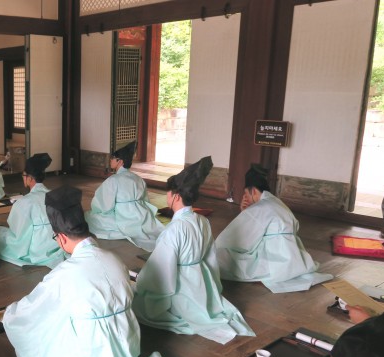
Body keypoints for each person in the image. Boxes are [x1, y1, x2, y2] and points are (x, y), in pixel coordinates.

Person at [3, 185, 170, 357]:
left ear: (61, 238)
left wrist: (10, 313)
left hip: (92, 354)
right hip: (128, 342)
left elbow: (33, 310)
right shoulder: (114, 258)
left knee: (44, 324)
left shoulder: (64, 274)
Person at [132, 156, 255, 345]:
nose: (167, 197)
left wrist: (141, 281)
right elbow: (210, 258)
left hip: (181, 287)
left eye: (168, 193)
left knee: (138, 304)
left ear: (176, 196)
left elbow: (162, 269)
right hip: (201, 283)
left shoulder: (174, 229)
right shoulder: (203, 221)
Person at [215, 164, 333, 293]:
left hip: (274, 261)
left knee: (218, 256)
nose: (245, 198)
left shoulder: (260, 207)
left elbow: (237, 238)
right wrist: (246, 212)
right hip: (294, 259)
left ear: (253, 191)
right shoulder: (277, 203)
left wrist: (245, 213)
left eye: (246, 193)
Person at [0, 153, 66, 269]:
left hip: (37, 250)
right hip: (56, 245)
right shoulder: (55, 196)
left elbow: (18, 231)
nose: (23, 178)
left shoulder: (24, 202)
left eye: (23, 175)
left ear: (29, 178)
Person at [85, 142, 164, 252]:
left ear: (120, 161)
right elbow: (145, 200)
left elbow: (104, 206)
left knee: (90, 217)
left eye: (113, 158)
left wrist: (97, 210)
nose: (110, 160)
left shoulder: (113, 180)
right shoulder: (138, 178)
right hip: (141, 215)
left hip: (123, 216)